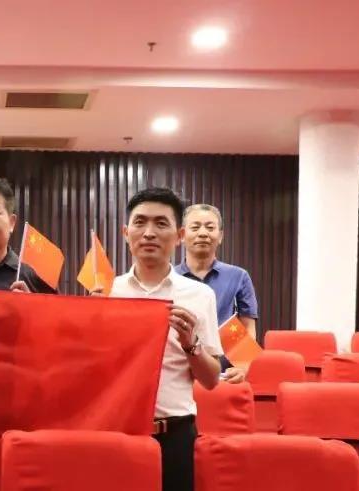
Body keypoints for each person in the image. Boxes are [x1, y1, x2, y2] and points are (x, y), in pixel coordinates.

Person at [108, 187, 221, 491]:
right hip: (118, 431)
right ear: (125, 232)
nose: (149, 233)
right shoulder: (107, 292)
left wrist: (190, 344)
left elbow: (211, 380)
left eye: (161, 223)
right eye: (140, 222)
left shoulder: (200, 295)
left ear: (179, 235)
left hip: (176, 434)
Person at [175, 204, 260, 384]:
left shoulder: (239, 276)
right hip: (178, 373)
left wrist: (243, 367)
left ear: (220, 236)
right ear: (182, 235)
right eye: (195, 227)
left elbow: (248, 327)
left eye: (210, 227)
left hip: (224, 377)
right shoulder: (170, 278)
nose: (203, 233)